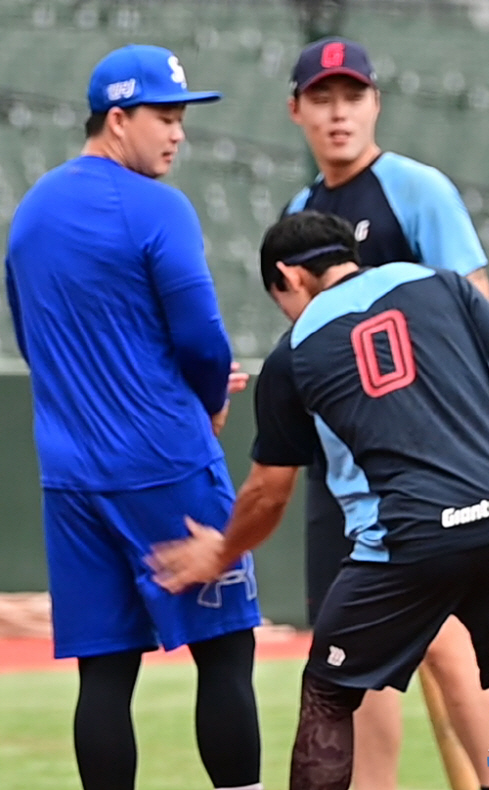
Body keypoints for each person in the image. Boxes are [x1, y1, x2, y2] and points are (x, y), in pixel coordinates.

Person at [148, 211, 489, 790]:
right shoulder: (445, 284)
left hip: (412, 536)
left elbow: (268, 492)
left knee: (329, 695)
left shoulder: (295, 352)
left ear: (288, 276)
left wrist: (220, 553)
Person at [4, 44, 262, 790]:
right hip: (166, 464)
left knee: (105, 675)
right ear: (117, 119)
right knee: (225, 651)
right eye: (166, 118)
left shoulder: (31, 213)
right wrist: (208, 397)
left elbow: (35, 338)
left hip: (71, 477)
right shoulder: (157, 205)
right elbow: (202, 339)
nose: (178, 134)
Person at [283, 35, 489, 790]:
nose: (338, 112)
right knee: (349, 651)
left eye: (352, 96)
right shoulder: (301, 212)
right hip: (342, 475)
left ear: (376, 103)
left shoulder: (417, 191)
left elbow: (474, 315)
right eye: (322, 98)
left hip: (426, 468)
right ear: (296, 111)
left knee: (452, 646)